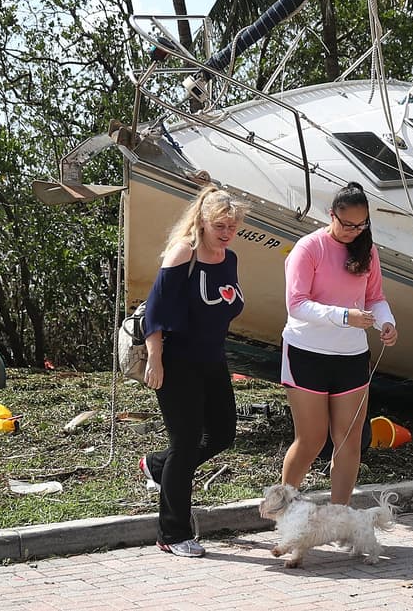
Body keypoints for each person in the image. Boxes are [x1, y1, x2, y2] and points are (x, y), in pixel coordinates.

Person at [139, 183, 249, 558]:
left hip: (213, 359)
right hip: (178, 361)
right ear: (202, 220)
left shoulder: (229, 258)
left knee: (221, 433)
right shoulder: (182, 254)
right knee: (185, 445)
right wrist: (155, 359)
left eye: (232, 226)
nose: (227, 232)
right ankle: (172, 532)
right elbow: (154, 312)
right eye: (220, 225)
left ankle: (157, 466)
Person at [280, 182, 398, 504]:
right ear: (332, 215)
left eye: (361, 226)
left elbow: (375, 298)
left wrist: (387, 322)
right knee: (311, 440)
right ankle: (283, 510)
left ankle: (339, 515)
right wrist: (344, 316)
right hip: (307, 352)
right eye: (347, 225)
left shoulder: (367, 250)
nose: (353, 232)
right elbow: (296, 304)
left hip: (351, 355)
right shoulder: (309, 247)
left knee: (349, 440)